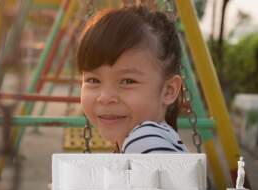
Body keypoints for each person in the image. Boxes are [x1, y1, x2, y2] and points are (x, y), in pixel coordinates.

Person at [76, 5, 189, 154]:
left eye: (128, 81)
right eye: (93, 80)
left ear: (169, 90)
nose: (105, 98)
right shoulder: (156, 141)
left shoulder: (144, 142)